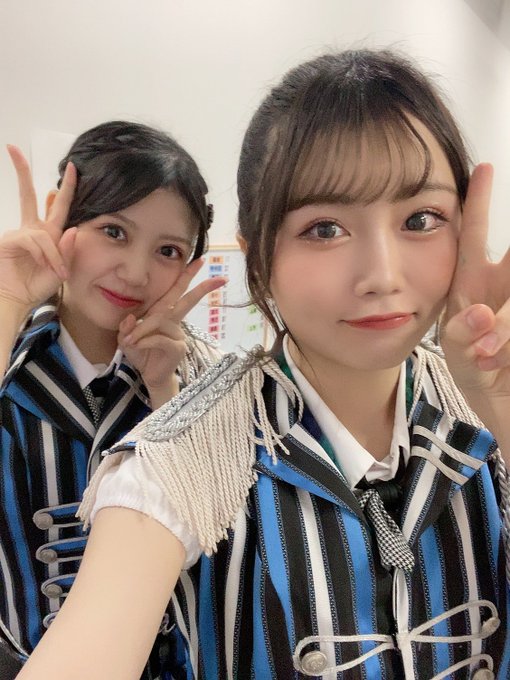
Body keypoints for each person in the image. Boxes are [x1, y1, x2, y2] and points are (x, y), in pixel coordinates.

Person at [17, 50, 510, 679]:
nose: (382, 276)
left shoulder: (481, 405)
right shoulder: (182, 462)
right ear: (258, 258)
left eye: (421, 219)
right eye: (324, 228)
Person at [0, 121, 224, 678]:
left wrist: (164, 391)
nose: (135, 272)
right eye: (114, 232)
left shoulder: (209, 379)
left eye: (168, 250)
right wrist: (6, 299)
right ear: (62, 218)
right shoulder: (8, 357)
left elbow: (225, 537)